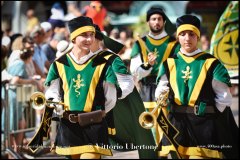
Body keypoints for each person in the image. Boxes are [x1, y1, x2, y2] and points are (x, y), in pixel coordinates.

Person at [28, 16, 118, 159]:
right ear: (74, 38)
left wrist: (95, 114)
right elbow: (52, 92)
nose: (89, 39)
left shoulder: (103, 64)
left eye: (92, 35)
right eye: (84, 35)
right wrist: (57, 105)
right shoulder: (59, 64)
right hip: (69, 128)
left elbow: (111, 97)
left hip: (94, 127)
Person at [155, 14, 238, 159]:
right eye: (183, 34)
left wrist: (208, 115)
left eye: (191, 34)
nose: (187, 38)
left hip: (203, 126)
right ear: (177, 37)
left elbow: (224, 97)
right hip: (177, 124)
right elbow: (160, 88)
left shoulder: (211, 63)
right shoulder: (169, 63)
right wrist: (161, 95)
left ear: (198, 37)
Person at [91, 24, 157, 159]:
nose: (86, 40)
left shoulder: (111, 59)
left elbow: (127, 84)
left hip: (112, 112)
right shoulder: (75, 60)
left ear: (98, 39)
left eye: (90, 36)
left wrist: (107, 97)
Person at [130, 6, 180, 145]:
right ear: (148, 22)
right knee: (149, 127)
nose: (156, 22)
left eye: (159, 19)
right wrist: (148, 65)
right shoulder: (140, 43)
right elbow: (135, 72)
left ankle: (164, 153)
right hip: (147, 89)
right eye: (153, 19)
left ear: (164, 22)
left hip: (168, 90)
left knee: (167, 124)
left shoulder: (173, 43)